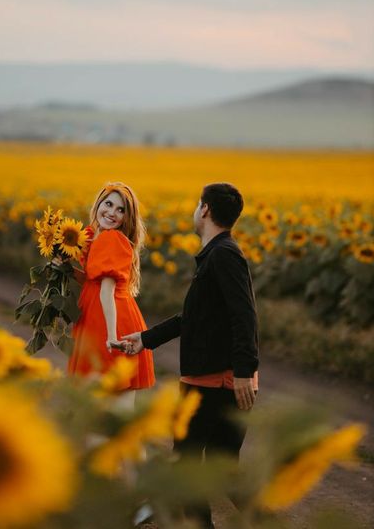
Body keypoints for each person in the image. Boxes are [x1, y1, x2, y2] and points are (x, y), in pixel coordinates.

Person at [123, 182, 259, 529]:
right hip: (215, 378)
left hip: (212, 380)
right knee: (223, 470)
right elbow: (194, 318)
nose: (195, 209)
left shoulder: (223, 255)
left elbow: (244, 314)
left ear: (206, 210)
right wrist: (146, 339)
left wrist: (244, 370)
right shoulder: (216, 255)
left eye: (197, 204)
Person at [65, 182, 155, 400]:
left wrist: (112, 336)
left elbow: (106, 290)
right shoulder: (94, 235)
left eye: (120, 210)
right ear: (98, 204)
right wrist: (65, 269)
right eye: (109, 204)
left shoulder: (111, 239)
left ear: (127, 218)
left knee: (107, 399)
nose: (112, 213)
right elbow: (92, 281)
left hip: (109, 322)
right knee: (109, 400)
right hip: (104, 317)